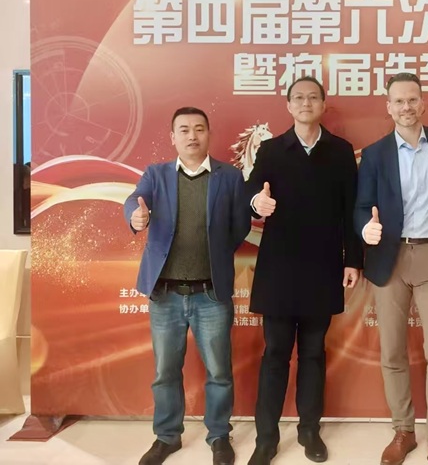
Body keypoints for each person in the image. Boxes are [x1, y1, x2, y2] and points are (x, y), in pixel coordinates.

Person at [355, 72, 428, 465]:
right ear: (388, 107)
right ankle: (403, 431)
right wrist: (365, 228)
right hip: (389, 258)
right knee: (392, 350)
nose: (406, 107)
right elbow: (361, 206)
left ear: (423, 103)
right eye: (399, 101)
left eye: (412, 100)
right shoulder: (375, 154)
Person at [124, 107, 251, 465]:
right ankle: (167, 436)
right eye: (184, 130)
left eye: (199, 129)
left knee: (219, 372)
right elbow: (134, 200)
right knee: (165, 372)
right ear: (173, 137)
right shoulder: (156, 174)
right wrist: (135, 215)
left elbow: (240, 224)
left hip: (211, 293)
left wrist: (216, 251)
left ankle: (219, 436)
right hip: (165, 294)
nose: (192, 136)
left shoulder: (230, 177)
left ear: (209, 134)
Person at [245, 76, 363, 465]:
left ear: (324, 104)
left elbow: (352, 209)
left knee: (313, 353)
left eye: (313, 97)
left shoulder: (340, 151)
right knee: (275, 353)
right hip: (279, 268)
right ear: (288, 105)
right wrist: (256, 203)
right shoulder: (271, 149)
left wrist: (353, 259)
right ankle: (266, 439)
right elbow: (251, 191)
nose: (306, 103)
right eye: (298, 97)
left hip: (322, 266)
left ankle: (309, 430)